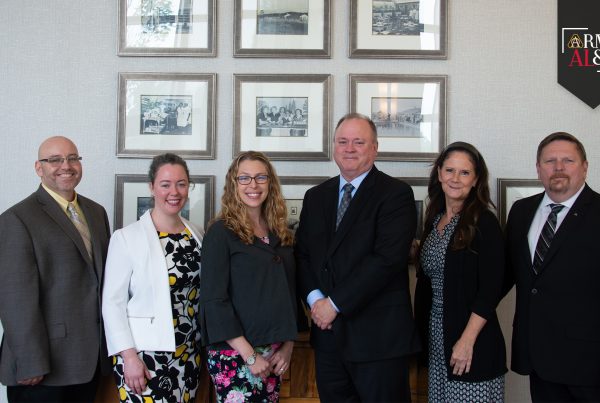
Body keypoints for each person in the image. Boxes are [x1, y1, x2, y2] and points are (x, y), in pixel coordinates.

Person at [295, 113, 420, 402]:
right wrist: (316, 302)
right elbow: (302, 255)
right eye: (342, 141)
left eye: (358, 142)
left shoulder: (396, 194)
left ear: (374, 148)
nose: (349, 148)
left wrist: (334, 305)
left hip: (379, 340)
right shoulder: (316, 196)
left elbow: (386, 260)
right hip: (328, 338)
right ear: (334, 147)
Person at [0, 136, 111, 402]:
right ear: (39, 168)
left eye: (73, 158)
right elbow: (15, 299)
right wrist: (30, 362)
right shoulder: (17, 219)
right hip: (43, 368)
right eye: (55, 160)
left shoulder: (96, 213)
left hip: (89, 361)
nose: (66, 165)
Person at [505, 132, 600, 402]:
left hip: (589, 363)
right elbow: (508, 273)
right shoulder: (521, 211)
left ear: (584, 167)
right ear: (538, 169)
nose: (558, 167)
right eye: (550, 161)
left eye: (568, 160)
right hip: (538, 357)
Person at [102, 153, 203, 402]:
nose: (174, 192)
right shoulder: (126, 238)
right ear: (152, 187)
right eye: (165, 184)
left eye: (181, 184)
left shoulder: (197, 234)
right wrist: (129, 357)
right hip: (144, 356)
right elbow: (112, 304)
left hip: (189, 352)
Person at [200, 151, 297, 402]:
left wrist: (288, 346)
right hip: (236, 354)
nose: (253, 185)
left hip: (275, 353)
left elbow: (290, 292)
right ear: (234, 184)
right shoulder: (220, 233)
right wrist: (250, 355)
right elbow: (214, 300)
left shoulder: (281, 234)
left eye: (260, 177)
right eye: (244, 178)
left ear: (270, 184)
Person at [414, 142, 507, 402]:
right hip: (436, 336)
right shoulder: (435, 219)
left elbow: (490, 290)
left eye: (464, 173)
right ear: (439, 174)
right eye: (450, 170)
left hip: (472, 340)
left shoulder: (484, 222)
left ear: (476, 179)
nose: (455, 179)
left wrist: (467, 341)